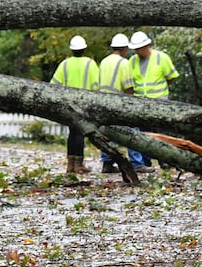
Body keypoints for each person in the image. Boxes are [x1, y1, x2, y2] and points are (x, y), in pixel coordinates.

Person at [128, 31, 179, 170]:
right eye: (135, 49)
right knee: (144, 133)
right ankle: (146, 162)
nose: (137, 51)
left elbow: (172, 77)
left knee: (161, 132)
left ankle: (164, 160)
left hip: (159, 102)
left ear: (147, 45)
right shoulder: (132, 61)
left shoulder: (161, 58)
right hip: (140, 102)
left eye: (139, 48)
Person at [51, 35, 99, 174]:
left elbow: (54, 84)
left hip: (67, 105)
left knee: (72, 133)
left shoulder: (65, 64)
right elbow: (96, 86)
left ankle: (70, 165)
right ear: (84, 49)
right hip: (84, 104)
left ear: (71, 50)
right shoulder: (90, 64)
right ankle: (79, 164)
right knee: (79, 133)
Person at [96, 33, 139, 173]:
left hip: (103, 101)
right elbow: (128, 86)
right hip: (117, 102)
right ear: (125, 48)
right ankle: (137, 163)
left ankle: (107, 163)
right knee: (131, 131)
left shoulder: (104, 61)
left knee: (106, 133)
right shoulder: (124, 63)